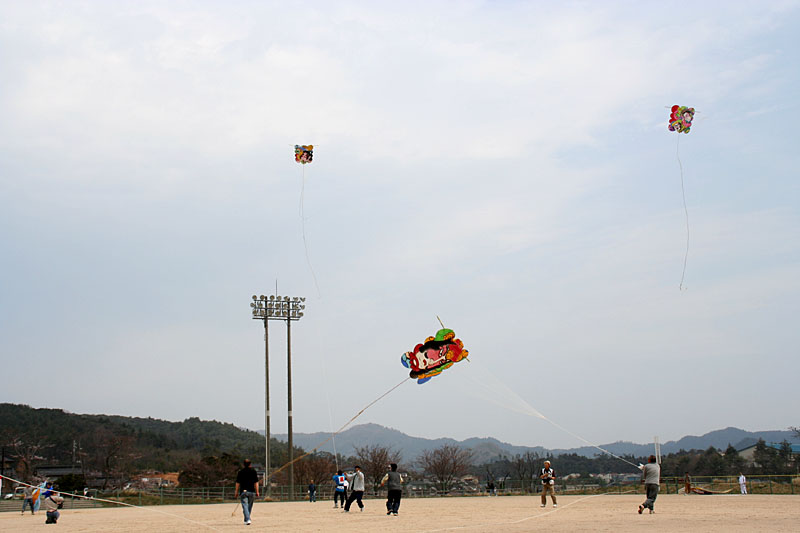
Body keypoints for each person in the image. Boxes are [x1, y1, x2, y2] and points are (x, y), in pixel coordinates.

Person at [234, 459, 260, 526]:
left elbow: (237, 483)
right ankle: (247, 519)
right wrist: (257, 491)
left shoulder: (240, 472)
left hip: (243, 492)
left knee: (245, 506)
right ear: (250, 464)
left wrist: (236, 492)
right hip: (251, 492)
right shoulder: (253, 471)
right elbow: (256, 482)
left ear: (243, 464)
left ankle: (247, 519)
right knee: (249, 506)